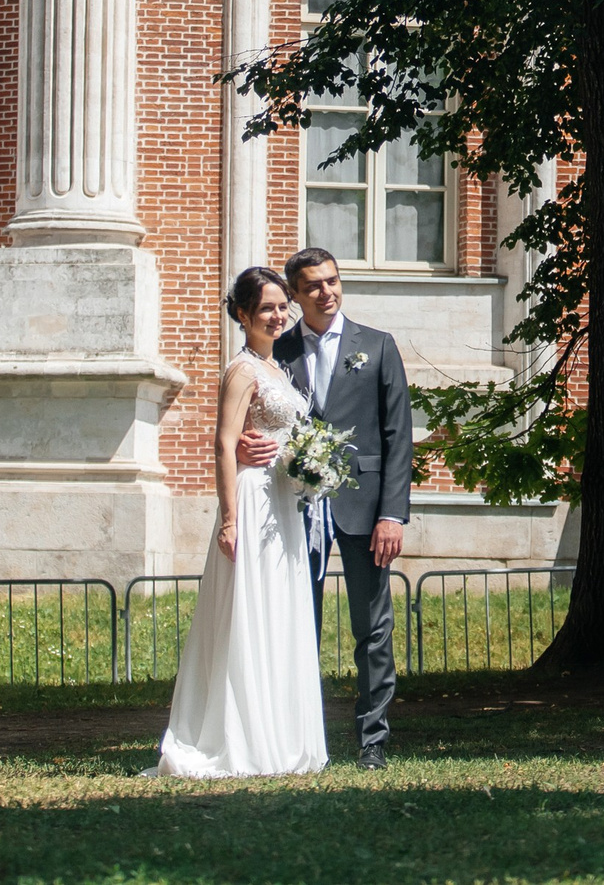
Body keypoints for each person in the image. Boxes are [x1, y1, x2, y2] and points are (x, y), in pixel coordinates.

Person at [238, 244, 411, 771]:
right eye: (312, 285)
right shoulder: (275, 349)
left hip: (364, 507)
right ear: (293, 295)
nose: (326, 292)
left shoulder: (377, 346)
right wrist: (246, 445)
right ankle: (298, 737)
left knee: (373, 627)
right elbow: (247, 415)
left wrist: (392, 515)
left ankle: (373, 741)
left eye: (332, 281)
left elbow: (397, 435)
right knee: (295, 622)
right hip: (292, 508)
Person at [152, 266, 328, 777]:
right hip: (252, 502)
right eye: (266, 308)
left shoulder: (279, 371)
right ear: (243, 315)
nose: (277, 316)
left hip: (283, 502)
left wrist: (308, 463)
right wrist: (229, 520)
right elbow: (224, 444)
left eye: (281, 307)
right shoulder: (242, 370)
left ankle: (281, 735)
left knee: (280, 611)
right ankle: (243, 737)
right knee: (250, 612)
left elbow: (284, 437)